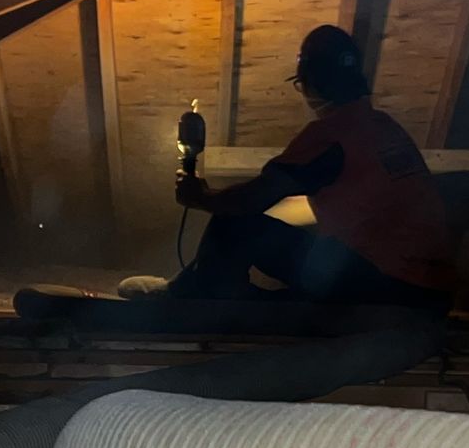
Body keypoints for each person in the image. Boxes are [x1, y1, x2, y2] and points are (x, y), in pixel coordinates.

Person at [168, 24, 452, 312]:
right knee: (298, 259)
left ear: (312, 82)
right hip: (426, 291)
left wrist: (202, 197)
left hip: (381, 285)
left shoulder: (331, 134)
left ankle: (202, 308)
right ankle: (223, 297)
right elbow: (340, 201)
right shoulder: (383, 127)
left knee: (232, 225)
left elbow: (252, 199)